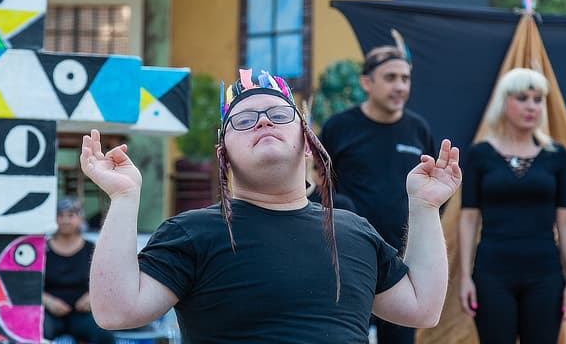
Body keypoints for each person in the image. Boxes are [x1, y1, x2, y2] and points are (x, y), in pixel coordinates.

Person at [80, 69, 461, 343]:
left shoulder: (354, 231)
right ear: (224, 154)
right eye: (244, 121)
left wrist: (425, 207)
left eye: (279, 116)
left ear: (308, 141)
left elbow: (421, 308)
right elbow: (116, 312)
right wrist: (124, 197)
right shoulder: (192, 233)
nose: (263, 122)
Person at [320, 37, 436, 343]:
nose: (400, 86)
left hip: (401, 260)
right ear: (367, 83)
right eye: (391, 78)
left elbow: (431, 191)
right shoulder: (338, 127)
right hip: (349, 258)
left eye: (405, 78)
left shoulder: (419, 129)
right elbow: (320, 188)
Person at [459, 68, 566, 344]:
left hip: (545, 273)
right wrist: (465, 276)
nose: (531, 106)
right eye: (523, 97)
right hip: (492, 272)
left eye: (538, 99)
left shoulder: (558, 156)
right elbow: (468, 218)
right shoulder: (479, 154)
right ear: (504, 101)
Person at [43, 197, 115, 343]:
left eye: (71, 215)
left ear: (80, 218)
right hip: (50, 313)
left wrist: (91, 297)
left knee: (103, 335)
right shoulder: (43, 249)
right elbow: (29, 283)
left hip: (82, 314)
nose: (65, 220)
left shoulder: (91, 249)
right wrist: (48, 301)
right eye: (60, 215)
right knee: (35, 330)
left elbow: (106, 280)